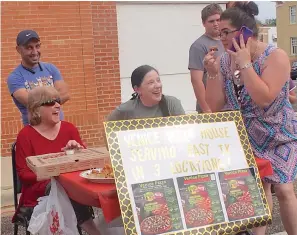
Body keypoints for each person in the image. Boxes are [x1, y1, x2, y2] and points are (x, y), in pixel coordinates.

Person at [203, 2, 297, 234]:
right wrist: (214, 75)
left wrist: (245, 63)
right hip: (245, 135)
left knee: (284, 190)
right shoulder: (225, 60)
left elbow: (263, 98)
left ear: (244, 32)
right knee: (257, 191)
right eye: (219, 32)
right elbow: (214, 106)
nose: (220, 36)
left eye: (226, 32)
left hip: (277, 134)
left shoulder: (275, 57)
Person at [13, 86, 101, 235]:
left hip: (71, 186)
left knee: (70, 186)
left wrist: (75, 154)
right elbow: (24, 175)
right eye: (49, 102)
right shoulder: (25, 135)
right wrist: (55, 174)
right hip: (38, 190)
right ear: (36, 109)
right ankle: (92, 229)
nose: (57, 105)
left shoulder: (69, 129)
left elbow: (84, 168)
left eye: (58, 101)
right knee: (65, 186)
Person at [7, 29, 70, 126]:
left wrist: (42, 102)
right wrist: (55, 98)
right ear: (18, 50)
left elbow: (65, 95)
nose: (35, 52)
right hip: (34, 132)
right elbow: (32, 103)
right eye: (29, 48)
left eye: (37, 46)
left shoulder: (51, 68)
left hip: (59, 128)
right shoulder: (15, 77)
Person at [108, 65, 185, 121]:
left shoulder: (172, 104)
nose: (158, 85)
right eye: (151, 82)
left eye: (158, 80)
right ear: (137, 89)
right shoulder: (126, 110)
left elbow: (185, 131)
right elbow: (108, 130)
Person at [188, 4, 224, 113]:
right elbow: (196, 81)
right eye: (211, 21)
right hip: (211, 108)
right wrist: (207, 110)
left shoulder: (227, 41)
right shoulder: (198, 46)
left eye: (218, 20)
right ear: (204, 23)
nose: (216, 24)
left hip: (227, 106)